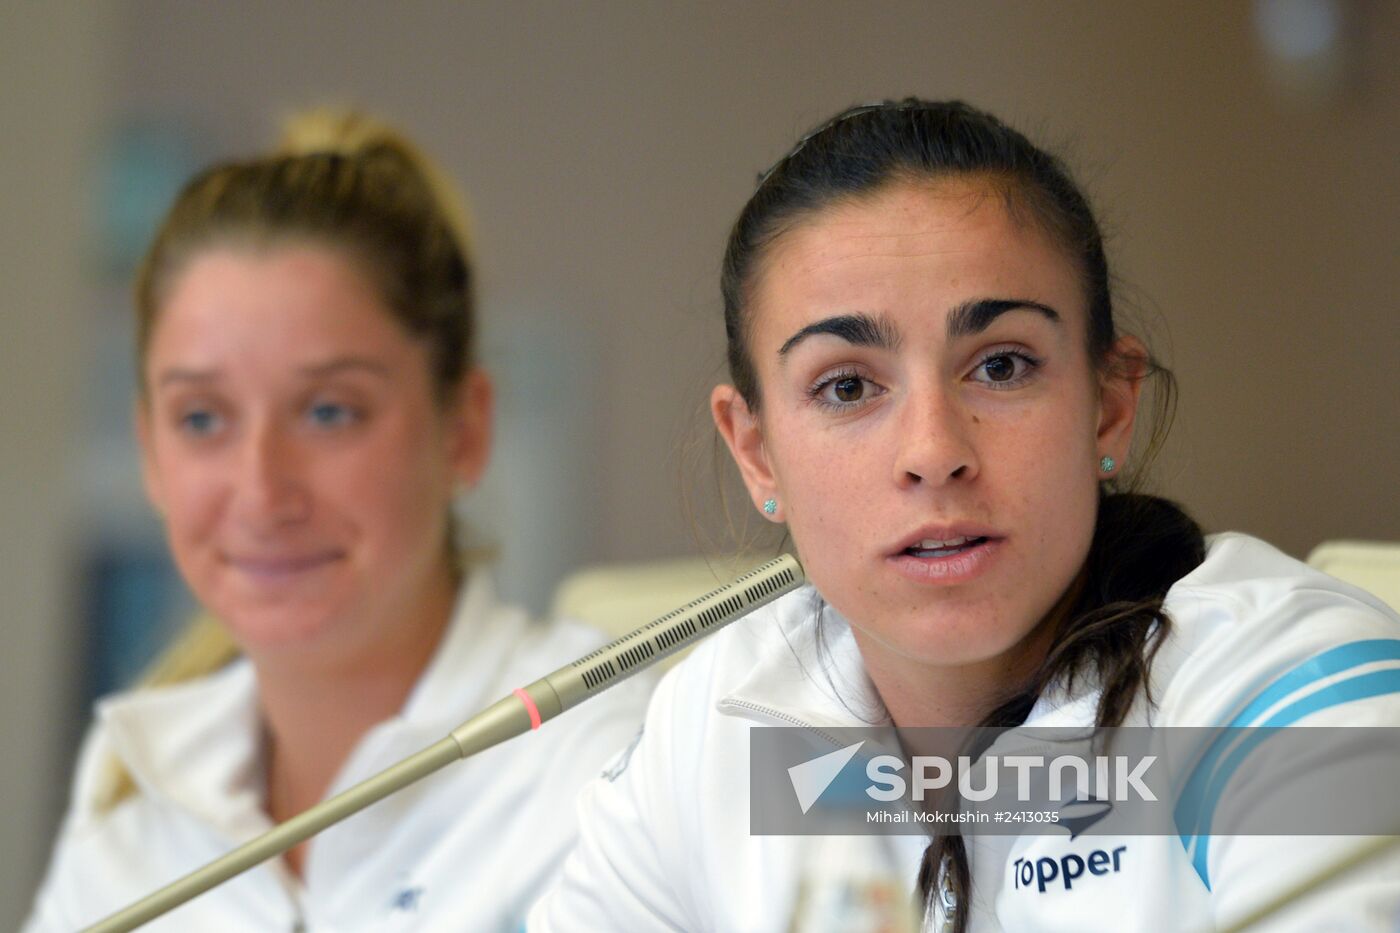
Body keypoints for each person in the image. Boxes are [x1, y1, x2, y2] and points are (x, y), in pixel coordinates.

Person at [530, 99, 1400, 931]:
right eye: (846, 386)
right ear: (758, 452)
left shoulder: (1287, 686)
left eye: (1002, 366)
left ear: (1107, 406)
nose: (933, 448)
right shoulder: (715, 731)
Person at [24, 110, 650, 932]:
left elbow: (859, 806)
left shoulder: (621, 758)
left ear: (463, 429)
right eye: (203, 419)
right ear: (148, 450)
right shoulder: (131, 794)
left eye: (328, 411)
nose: (260, 491)